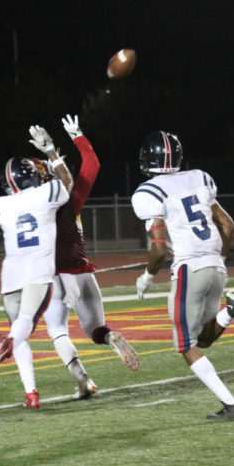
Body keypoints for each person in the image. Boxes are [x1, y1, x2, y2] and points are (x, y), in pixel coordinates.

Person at [131, 131, 234, 420]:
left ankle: (232, 405)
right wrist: (220, 259)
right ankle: (231, 311)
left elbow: (159, 250)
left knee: (185, 346)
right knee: (202, 340)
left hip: (189, 269)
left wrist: (148, 276)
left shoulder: (148, 192)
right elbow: (227, 226)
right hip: (216, 266)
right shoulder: (199, 177)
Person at [40, 115, 140, 401]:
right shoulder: (73, 201)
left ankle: (84, 381)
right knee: (96, 330)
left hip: (57, 277)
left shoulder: (35, 208)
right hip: (84, 273)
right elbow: (92, 167)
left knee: (57, 330)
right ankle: (111, 338)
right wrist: (78, 135)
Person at [0, 124, 72, 408]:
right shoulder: (47, 194)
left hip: (11, 274)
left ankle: (31, 393)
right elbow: (67, 182)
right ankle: (6, 342)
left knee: (18, 327)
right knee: (26, 324)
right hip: (37, 270)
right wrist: (51, 151)